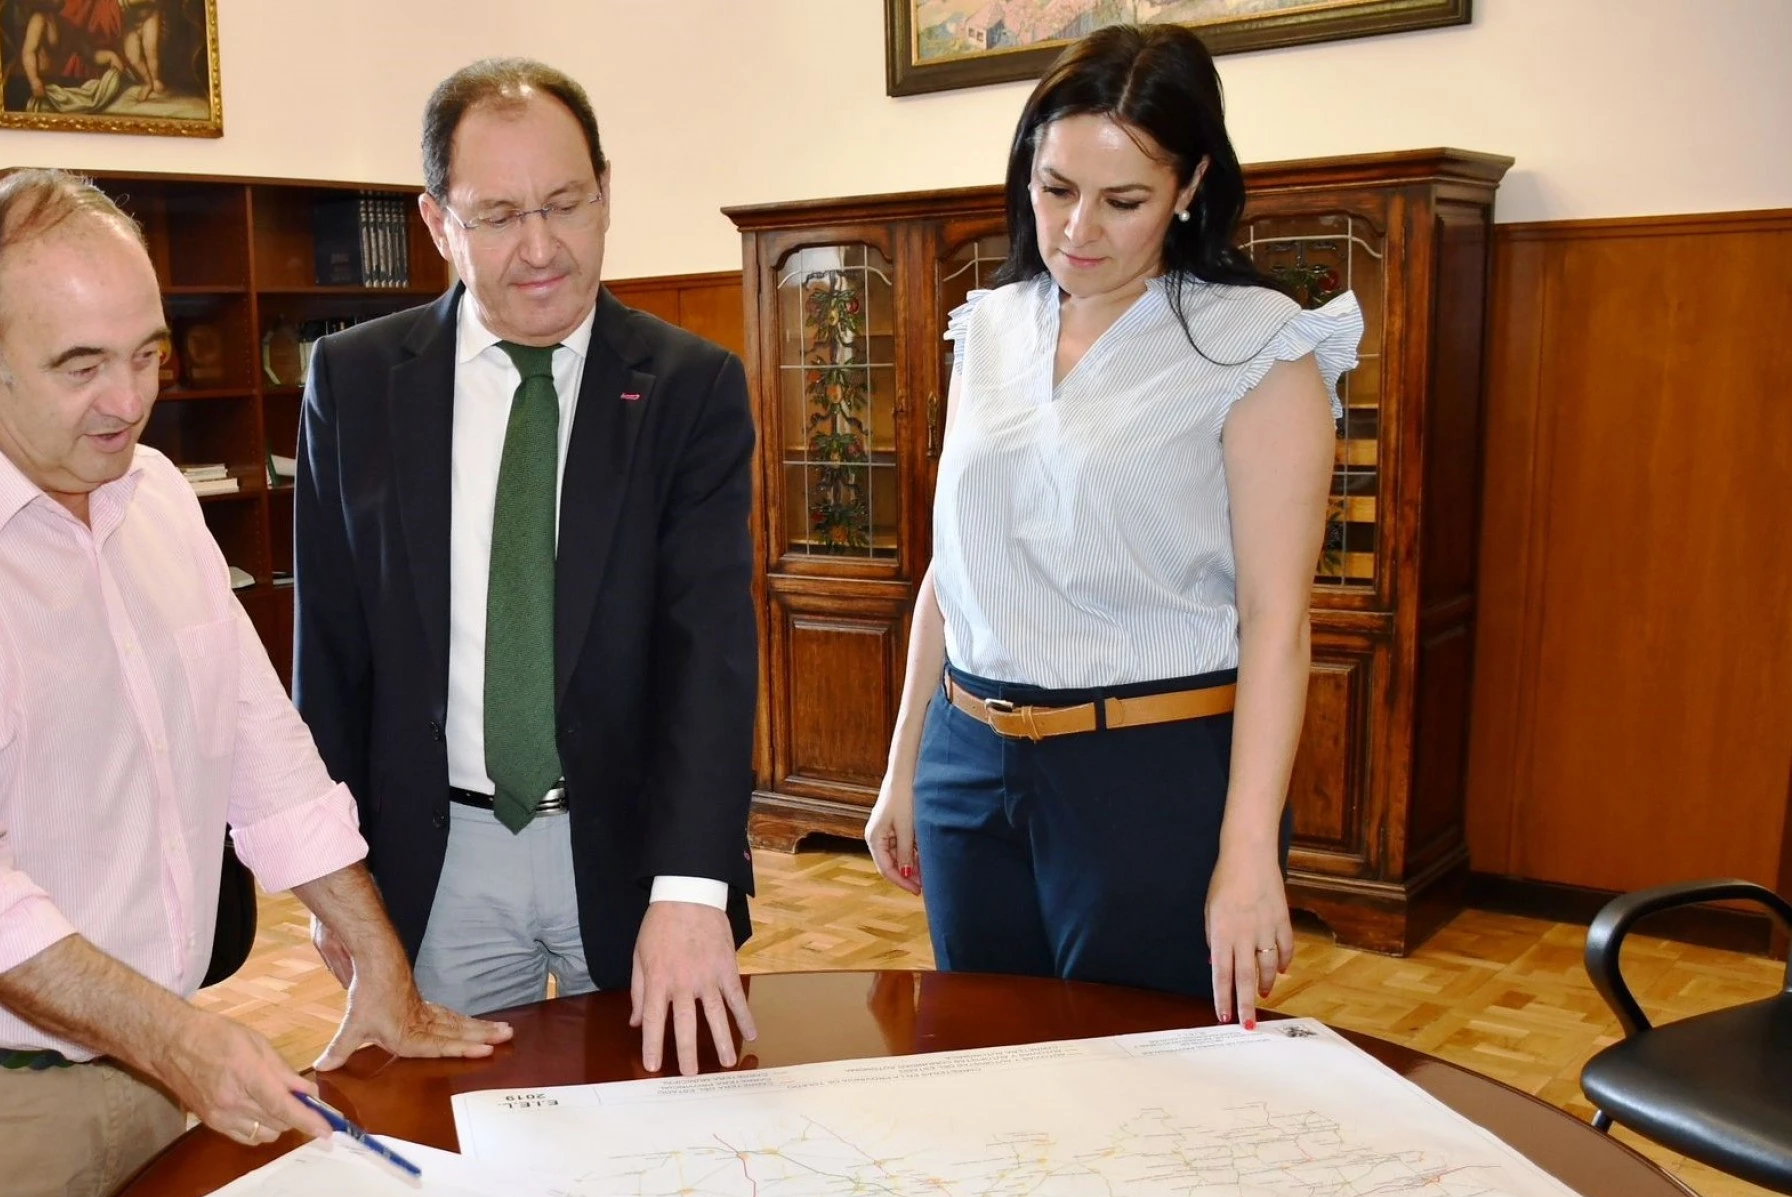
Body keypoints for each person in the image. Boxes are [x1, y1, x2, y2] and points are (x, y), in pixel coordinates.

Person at [0, 168, 509, 1197]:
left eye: (147, 354)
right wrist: (185, 1042)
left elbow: (266, 756)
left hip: (142, 1066)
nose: (128, 400)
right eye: (80, 366)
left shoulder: (159, 495)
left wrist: (379, 965)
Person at [864, 24, 1362, 1029]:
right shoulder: (990, 325)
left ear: (1190, 187)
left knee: (1147, 1093)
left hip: (1150, 774)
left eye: (1122, 199)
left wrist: (1247, 850)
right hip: (973, 762)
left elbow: (1276, 620)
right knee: (982, 1052)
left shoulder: (1255, 344)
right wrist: (904, 763)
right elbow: (952, 568)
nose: (1077, 228)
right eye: (1053, 188)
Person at [293, 59, 760, 1076]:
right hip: (436, 859)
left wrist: (690, 893)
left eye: (565, 204)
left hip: (639, 857)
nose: (542, 248)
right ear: (435, 223)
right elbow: (326, 654)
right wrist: (336, 887)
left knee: (663, 1159)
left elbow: (711, 663)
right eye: (498, 215)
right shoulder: (356, 382)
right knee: (460, 1165)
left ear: (604, 192)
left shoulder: (691, 389)